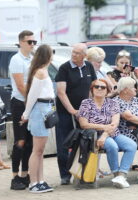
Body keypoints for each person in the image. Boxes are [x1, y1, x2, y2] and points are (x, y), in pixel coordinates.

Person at [78, 79, 137, 188]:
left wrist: (105, 134)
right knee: (112, 146)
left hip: (112, 133)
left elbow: (115, 123)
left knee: (131, 145)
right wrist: (104, 127)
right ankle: (115, 174)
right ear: (92, 89)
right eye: (96, 87)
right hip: (94, 135)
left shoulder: (112, 103)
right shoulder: (86, 103)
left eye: (103, 87)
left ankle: (121, 176)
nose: (99, 89)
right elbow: (84, 124)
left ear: (107, 91)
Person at [55, 43, 97, 185]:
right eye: (73, 52)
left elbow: (92, 89)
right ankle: (65, 175)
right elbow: (61, 92)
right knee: (63, 144)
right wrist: (72, 110)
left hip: (84, 112)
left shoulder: (89, 67)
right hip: (65, 113)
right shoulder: (64, 68)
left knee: (85, 143)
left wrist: (91, 107)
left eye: (77, 53)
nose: (74, 55)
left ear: (84, 56)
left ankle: (82, 172)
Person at [21, 44, 54, 193]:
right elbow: (32, 96)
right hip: (39, 110)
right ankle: (34, 182)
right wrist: (26, 114)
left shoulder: (43, 71)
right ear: (47, 55)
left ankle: (40, 180)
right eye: (52, 53)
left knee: (40, 151)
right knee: (37, 150)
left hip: (45, 109)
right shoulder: (40, 72)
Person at [9, 30, 36, 190]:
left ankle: (25, 175)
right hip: (20, 103)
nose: (32, 44)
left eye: (34, 42)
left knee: (30, 142)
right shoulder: (16, 59)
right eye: (29, 42)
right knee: (20, 141)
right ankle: (14, 177)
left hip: (31, 104)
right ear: (21, 42)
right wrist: (31, 101)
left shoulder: (32, 59)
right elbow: (20, 85)